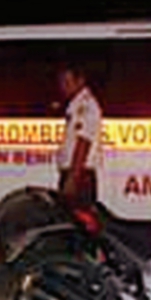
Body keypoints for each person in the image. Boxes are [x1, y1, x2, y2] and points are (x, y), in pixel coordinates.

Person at [56, 62, 104, 208]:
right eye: (61, 82)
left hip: (79, 177)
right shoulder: (75, 106)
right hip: (75, 174)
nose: (63, 86)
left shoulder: (86, 106)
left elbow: (83, 143)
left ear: (80, 81)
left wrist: (72, 180)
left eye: (67, 82)